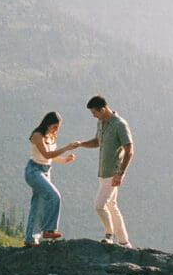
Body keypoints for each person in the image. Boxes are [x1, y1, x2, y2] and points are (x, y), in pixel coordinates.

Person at [78, 95, 134, 248]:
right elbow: (97, 142)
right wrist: (81, 144)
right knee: (111, 206)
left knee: (99, 205)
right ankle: (124, 242)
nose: (93, 115)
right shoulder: (101, 123)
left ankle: (109, 235)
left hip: (113, 173)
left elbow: (129, 150)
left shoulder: (120, 124)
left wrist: (120, 174)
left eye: (94, 112)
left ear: (102, 109)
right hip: (103, 173)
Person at [24, 111, 81, 247]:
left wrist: (64, 160)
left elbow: (51, 157)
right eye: (55, 127)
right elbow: (47, 154)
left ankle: (30, 238)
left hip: (45, 170)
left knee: (38, 204)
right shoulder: (37, 135)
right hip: (34, 170)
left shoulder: (50, 136)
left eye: (57, 127)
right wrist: (66, 148)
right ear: (48, 124)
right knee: (54, 196)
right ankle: (49, 230)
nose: (56, 130)